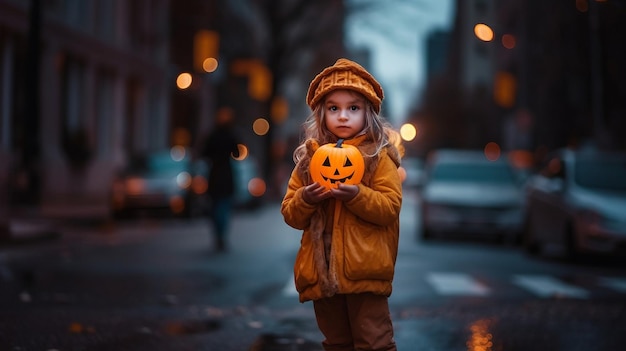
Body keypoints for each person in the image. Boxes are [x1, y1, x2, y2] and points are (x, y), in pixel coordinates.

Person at [281, 58, 403, 351]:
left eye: (353, 108)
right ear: (321, 114)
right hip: (323, 276)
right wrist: (305, 199)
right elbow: (290, 213)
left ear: (368, 113)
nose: (343, 116)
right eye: (334, 108)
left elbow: (389, 207)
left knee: (374, 343)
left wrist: (358, 195)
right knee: (336, 343)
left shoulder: (377, 157)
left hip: (365, 272)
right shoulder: (311, 159)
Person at [202, 107, 240, 252]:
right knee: (223, 207)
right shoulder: (231, 135)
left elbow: (204, 154)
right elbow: (237, 153)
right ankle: (221, 235)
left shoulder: (212, 135)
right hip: (226, 174)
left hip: (214, 174)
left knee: (216, 206)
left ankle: (218, 235)